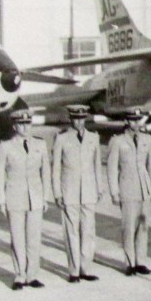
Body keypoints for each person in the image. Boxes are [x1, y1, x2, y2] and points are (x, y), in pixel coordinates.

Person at [0, 108, 52, 289]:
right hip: (14, 197)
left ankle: (32, 275)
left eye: (28, 123)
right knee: (18, 238)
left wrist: (45, 197)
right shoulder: (6, 146)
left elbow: (46, 172)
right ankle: (20, 275)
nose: (25, 127)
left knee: (34, 238)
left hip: (35, 197)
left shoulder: (40, 145)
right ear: (14, 126)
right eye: (21, 123)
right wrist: (0, 200)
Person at [52, 104, 105, 282]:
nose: (79, 122)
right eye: (75, 118)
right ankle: (74, 271)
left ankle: (86, 268)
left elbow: (97, 165)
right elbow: (56, 168)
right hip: (69, 191)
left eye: (82, 118)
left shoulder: (93, 138)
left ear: (86, 119)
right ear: (71, 119)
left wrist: (99, 188)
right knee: (71, 231)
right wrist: (57, 193)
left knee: (88, 231)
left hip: (89, 191)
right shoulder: (62, 139)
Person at [107, 108, 151, 275]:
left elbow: (150, 166)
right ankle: (130, 263)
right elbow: (112, 168)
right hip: (127, 188)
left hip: (144, 188)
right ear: (127, 121)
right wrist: (114, 192)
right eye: (133, 119)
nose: (137, 122)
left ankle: (141, 262)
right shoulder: (117, 141)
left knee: (143, 227)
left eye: (139, 119)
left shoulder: (147, 139)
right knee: (128, 227)